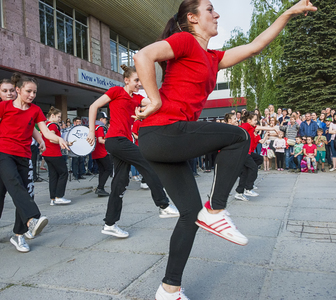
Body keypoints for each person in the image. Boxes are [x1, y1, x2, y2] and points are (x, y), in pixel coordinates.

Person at [133, 0, 317, 298]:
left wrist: (287, 14)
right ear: (192, 18)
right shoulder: (184, 40)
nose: (217, 14)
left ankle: (169, 290)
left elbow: (256, 45)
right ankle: (216, 209)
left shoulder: (212, 57)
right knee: (238, 137)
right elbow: (144, 56)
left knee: (189, 214)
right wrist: (153, 100)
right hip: (164, 130)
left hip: (163, 139)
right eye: (210, 9)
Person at [87, 64, 180, 239]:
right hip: (115, 140)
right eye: (136, 80)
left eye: (141, 81)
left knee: (120, 183)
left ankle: (110, 223)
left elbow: (156, 102)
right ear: (126, 80)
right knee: (147, 162)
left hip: (123, 141)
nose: (139, 84)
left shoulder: (137, 98)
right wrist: (92, 131)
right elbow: (93, 106)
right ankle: (163, 205)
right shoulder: (116, 91)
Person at [0, 73, 68, 252]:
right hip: (3, 152)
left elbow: (45, 131)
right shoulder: (3, 107)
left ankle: (19, 235)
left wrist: (58, 139)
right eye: (28, 91)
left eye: (34, 92)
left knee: (26, 192)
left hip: (24, 155)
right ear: (18, 90)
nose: (31, 95)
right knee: (8, 187)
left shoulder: (35, 110)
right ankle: (29, 219)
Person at [0, 77, 45, 243]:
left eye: (11, 90)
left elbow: (30, 125)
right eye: (4, 91)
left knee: (21, 188)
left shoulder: (26, 107)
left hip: (20, 152)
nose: (9, 93)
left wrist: (40, 139)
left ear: (16, 90)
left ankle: (23, 229)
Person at [234, 111, 274, 201]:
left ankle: (239, 192)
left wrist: (269, 131)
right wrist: (272, 128)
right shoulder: (247, 125)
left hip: (246, 153)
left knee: (247, 171)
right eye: (255, 120)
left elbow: (261, 135)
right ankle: (248, 188)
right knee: (253, 168)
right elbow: (239, 130)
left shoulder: (252, 129)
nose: (256, 121)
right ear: (249, 120)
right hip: (243, 153)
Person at [42, 106, 72, 206]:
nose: (60, 119)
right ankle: (59, 196)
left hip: (47, 153)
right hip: (54, 153)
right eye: (58, 117)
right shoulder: (53, 125)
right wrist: (64, 142)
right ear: (53, 116)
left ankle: (53, 198)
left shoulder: (45, 124)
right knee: (64, 173)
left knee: (53, 175)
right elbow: (51, 138)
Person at [92, 111, 112, 196]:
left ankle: (101, 188)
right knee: (108, 169)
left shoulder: (93, 127)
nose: (106, 121)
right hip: (101, 152)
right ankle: (100, 188)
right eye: (105, 119)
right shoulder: (100, 127)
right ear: (101, 119)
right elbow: (100, 140)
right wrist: (110, 142)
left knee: (102, 170)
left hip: (95, 152)